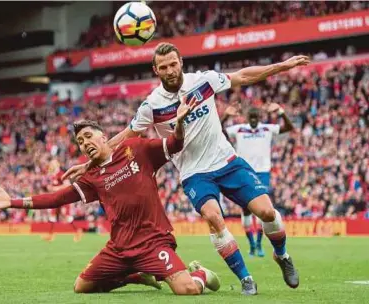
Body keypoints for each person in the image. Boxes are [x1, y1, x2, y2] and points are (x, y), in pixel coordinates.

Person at [62, 42, 309, 293]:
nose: (169, 70)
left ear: (181, 62)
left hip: (226, 161)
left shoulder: (204, 81)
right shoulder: (152, 105)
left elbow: (242, 76)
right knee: (214, 217)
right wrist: (89, 163)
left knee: (267, 213)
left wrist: (282, 66)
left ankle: (282, 255)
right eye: (163, 67)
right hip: (194, 173)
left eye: (172, 64)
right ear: (155, 70)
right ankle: (246, 278)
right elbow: (127, 134)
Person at [0, 98, 221, 295]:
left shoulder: (136, 149)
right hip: (119, 248)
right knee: (81, 287)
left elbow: (175, 145)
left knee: (186, 289)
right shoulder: (92, 177)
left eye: (88, 137)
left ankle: (199, 273)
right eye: (80, 142)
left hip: (152, 243)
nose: (85, 143)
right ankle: (137, 277)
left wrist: (178, 124)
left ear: (103, 136)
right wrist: (12, 202)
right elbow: (57, 199)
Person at [222, 103, 294, 257]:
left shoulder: (266, 129)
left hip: (262, 173)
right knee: (246, 209)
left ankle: (260, 244)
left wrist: (281, 112)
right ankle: (252, 244)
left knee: (262, 210)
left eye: (256, 118)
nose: (254, 120)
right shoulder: (239, 129)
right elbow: (219, 132)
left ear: (260, 118)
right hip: (243, 171)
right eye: (251, 118)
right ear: (248, 118)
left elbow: (288, 127)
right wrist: (226, 116)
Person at [42, 159, 82, 242]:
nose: (51, 165)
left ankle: (77, 232)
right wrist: (50, 188)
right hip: (57, 198)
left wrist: (55, 188)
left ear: (57, 164)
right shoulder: (53, 174)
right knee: (53, 215)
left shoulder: (61, 174)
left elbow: (67, 185)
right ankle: (50, 235)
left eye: (52, 164)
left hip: (63, 198)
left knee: (66, 216)